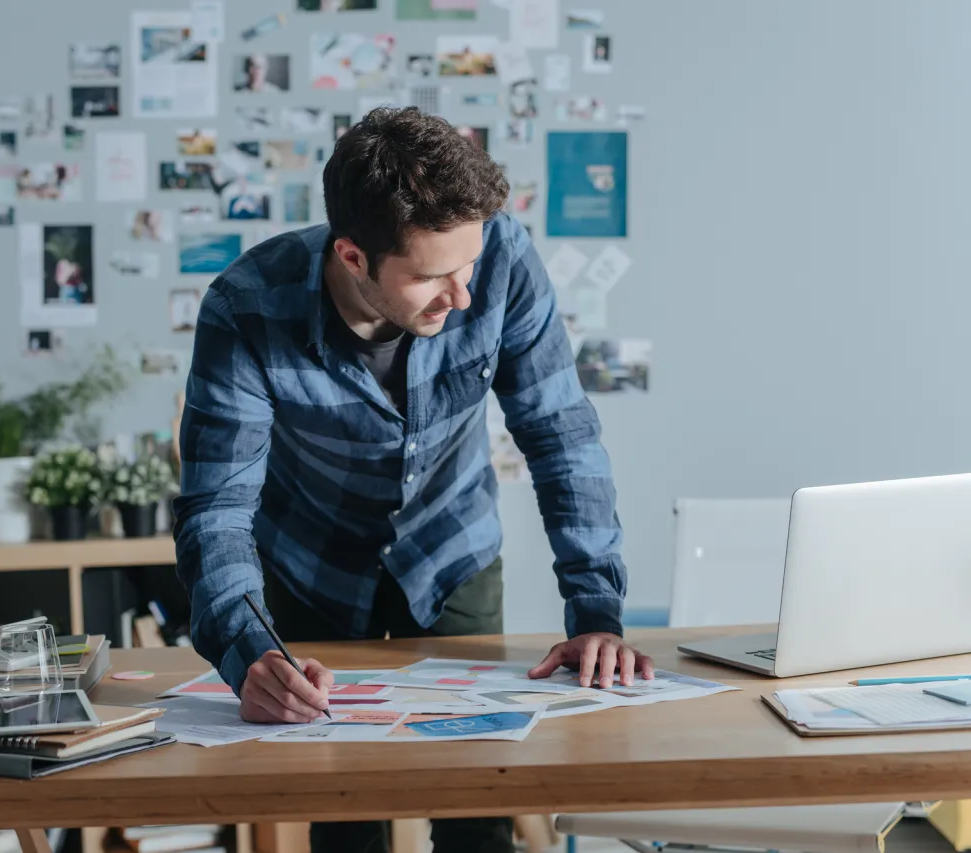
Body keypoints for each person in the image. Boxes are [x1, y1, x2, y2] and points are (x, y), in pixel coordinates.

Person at [173, 107, 646, 853]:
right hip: (311, 568)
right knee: (344, 806)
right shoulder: (246, 309)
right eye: (432, 276)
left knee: (476, 799)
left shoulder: (501, 259)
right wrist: (246, 650)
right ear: (354, 256)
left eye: (469, 266)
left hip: (451, 550)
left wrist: (596, 610)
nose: (461, 296)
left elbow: (559, 433)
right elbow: (216, 508)